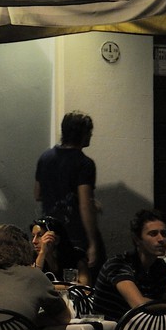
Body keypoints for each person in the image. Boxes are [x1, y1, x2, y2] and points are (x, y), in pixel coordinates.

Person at [34, 110, 102, 282]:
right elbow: (85, 204)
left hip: (49, 231)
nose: (91, 136)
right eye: (89, 132)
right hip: (75, 235)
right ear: (82, 134)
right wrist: (93, 243)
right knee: (82, 283)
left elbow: (38, 194)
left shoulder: (45, 157)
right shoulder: (84, 163)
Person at [91, 209, 166, 321]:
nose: (161, 239)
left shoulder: (161, 268)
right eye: (153, 234)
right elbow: (138, 304)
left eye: (164, 234)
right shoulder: (118, 264)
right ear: (137, 239)